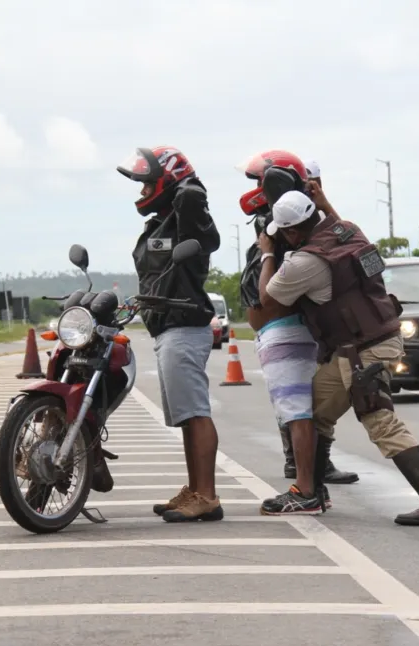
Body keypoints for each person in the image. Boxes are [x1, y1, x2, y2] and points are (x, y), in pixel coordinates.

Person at [255, 189, 419, 526]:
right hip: (368, 342)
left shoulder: (304, 262)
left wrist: (266, 254)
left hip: (364, 349)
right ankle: (310, 492)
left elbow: (267, 297)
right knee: (317, 412)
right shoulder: (348, 231)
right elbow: (338, 228)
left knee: (378, 418)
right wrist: (324, 203)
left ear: (292, 232)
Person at [235, 151, 358, 487]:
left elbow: (343, 240)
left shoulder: (292, 225)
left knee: (302, 406)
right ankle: (305, 469)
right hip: (283, 329)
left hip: (292, 328)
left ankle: (309, 472)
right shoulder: (277, 223)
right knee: (299, 407)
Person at [117, 145, 224, 523]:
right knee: (184, 415)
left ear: (166, 181)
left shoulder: (188, 215)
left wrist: (183, 182)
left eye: (147, 184)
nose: (142, 192)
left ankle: (207, 495)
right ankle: (195, 489)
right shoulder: (160, 224)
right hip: (166, 329)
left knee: (195, 413)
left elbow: (194, 199)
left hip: (185, 324)